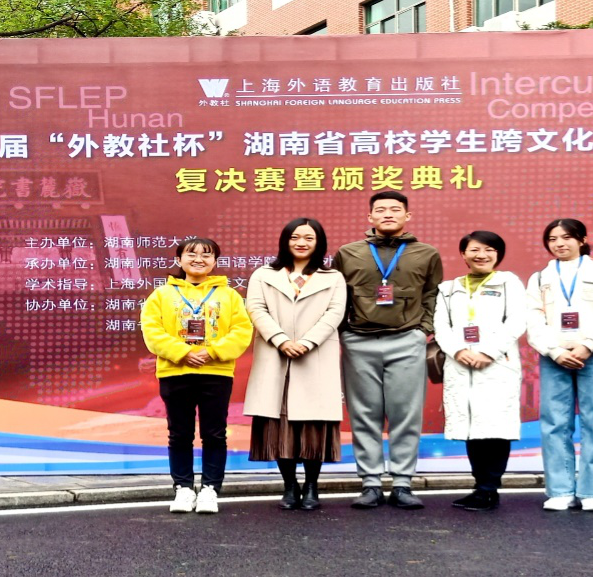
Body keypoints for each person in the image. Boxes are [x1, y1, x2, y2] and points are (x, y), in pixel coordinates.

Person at [333, 191, 443, 510]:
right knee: (364, 413)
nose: (388, 214)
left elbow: (432, 294)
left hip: (406, 340)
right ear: (370, 217)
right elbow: (337, 296)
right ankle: (370, 483)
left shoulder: (426, 253)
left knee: (405, 414)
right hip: (359, 341)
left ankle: (402, 483)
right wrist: (344, 333)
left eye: (396, 209)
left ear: (407, 216)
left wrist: (422, 330)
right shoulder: (348, 253)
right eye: (380, 210)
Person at [140, 237, 253, 515]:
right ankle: (183, 488)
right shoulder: (161, 295)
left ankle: (210, 489)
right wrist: (182, 352)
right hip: (175, 371)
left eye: (206, 254)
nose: (199, 259)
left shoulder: (229, 295)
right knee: (179, 434)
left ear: (215, 261)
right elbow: (152, 331)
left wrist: (212, 352)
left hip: (216, 372)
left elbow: (242, 331)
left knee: (214, 433)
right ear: (178, 260)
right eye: (191, 254)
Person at [526, 219, 593, 512]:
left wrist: (588, 345)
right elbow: (532, 319)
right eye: (552, 239)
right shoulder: (539, 278)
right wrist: (555, 351)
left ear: (582, 240)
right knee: (554, 423)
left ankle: (592, 491)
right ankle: (560, 491)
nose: (559, 243)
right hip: (554, 357)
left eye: (566, 237)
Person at [244, 218, 347, 511]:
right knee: (279, 424)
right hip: (275, 355)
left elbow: (335, 313)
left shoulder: (333, 277)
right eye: (295, 237)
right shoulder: (264, 274)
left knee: (314, 424)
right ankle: (289, 486)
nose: (301, 243)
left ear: (319, 243)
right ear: (285, 241)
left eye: (309, 238)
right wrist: (280, 340)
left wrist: (307, 342)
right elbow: (256, 308)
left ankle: (312, 486)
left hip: (314, 356)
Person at [433, 231, 527, 511]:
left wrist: (488, 352)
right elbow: (441, 326)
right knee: (472, 427)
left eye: (489, 250)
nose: (481, 255)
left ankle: (489, 488)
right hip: (461, 365)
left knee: (495, 428)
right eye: (474, 249)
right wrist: (458, 351)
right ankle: (479, 487)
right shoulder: (448, 288)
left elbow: (517, 321)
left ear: (498, 254)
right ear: (463, 254)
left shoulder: (508, 283)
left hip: (496, 364)